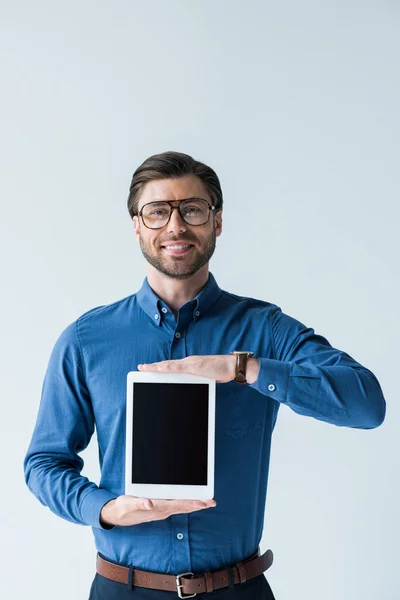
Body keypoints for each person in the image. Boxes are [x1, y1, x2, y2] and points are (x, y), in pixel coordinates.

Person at [24, 151, 386, 599]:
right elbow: (43, 464)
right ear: (137, 225)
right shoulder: (85, 340)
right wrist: (106, 509)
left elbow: (367, 405)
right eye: (157, 212)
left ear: (216, 221)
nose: (175, 226)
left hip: (239, 589)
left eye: (192, 209)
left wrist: (243, 368)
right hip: (123, 589)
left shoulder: (264, 329)